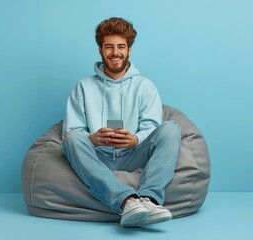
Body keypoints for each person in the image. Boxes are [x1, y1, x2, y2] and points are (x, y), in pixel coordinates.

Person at [62, 17, 181, 227]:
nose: (115, 53)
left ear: (129, 50)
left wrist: (135, 139)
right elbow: (71, 130)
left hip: (134, 154)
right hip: (98, 156)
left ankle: (149, 200)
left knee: (172, 128)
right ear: (100, 50)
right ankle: (127, 202)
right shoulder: (83, 86)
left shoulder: (145, 86)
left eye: (121, 47)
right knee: (71, 139)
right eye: (109, 47)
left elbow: (152, 127)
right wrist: (93, 138)